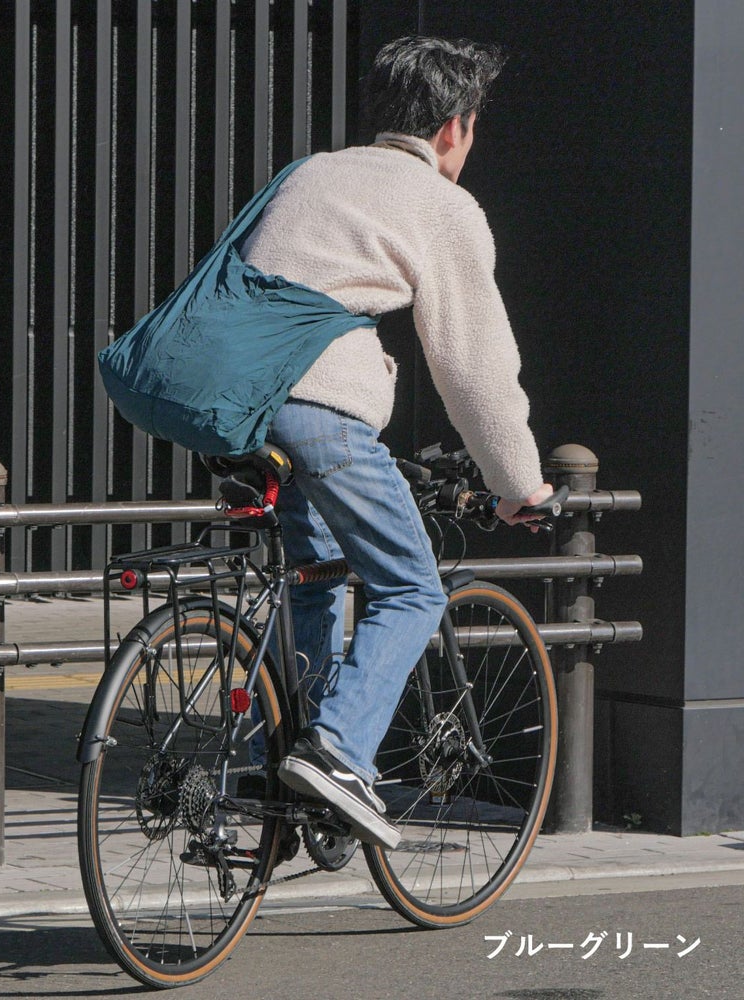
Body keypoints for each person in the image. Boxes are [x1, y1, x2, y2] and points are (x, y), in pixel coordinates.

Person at [241, 36, 552, 850]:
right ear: (454, 127)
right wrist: (518, 481)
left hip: (239, 411)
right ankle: (337, 753)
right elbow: (474, 366)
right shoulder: (441, 205)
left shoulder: (313, 173)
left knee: (313, 579)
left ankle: (285, 764)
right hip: (321, 412)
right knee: (411, 589)